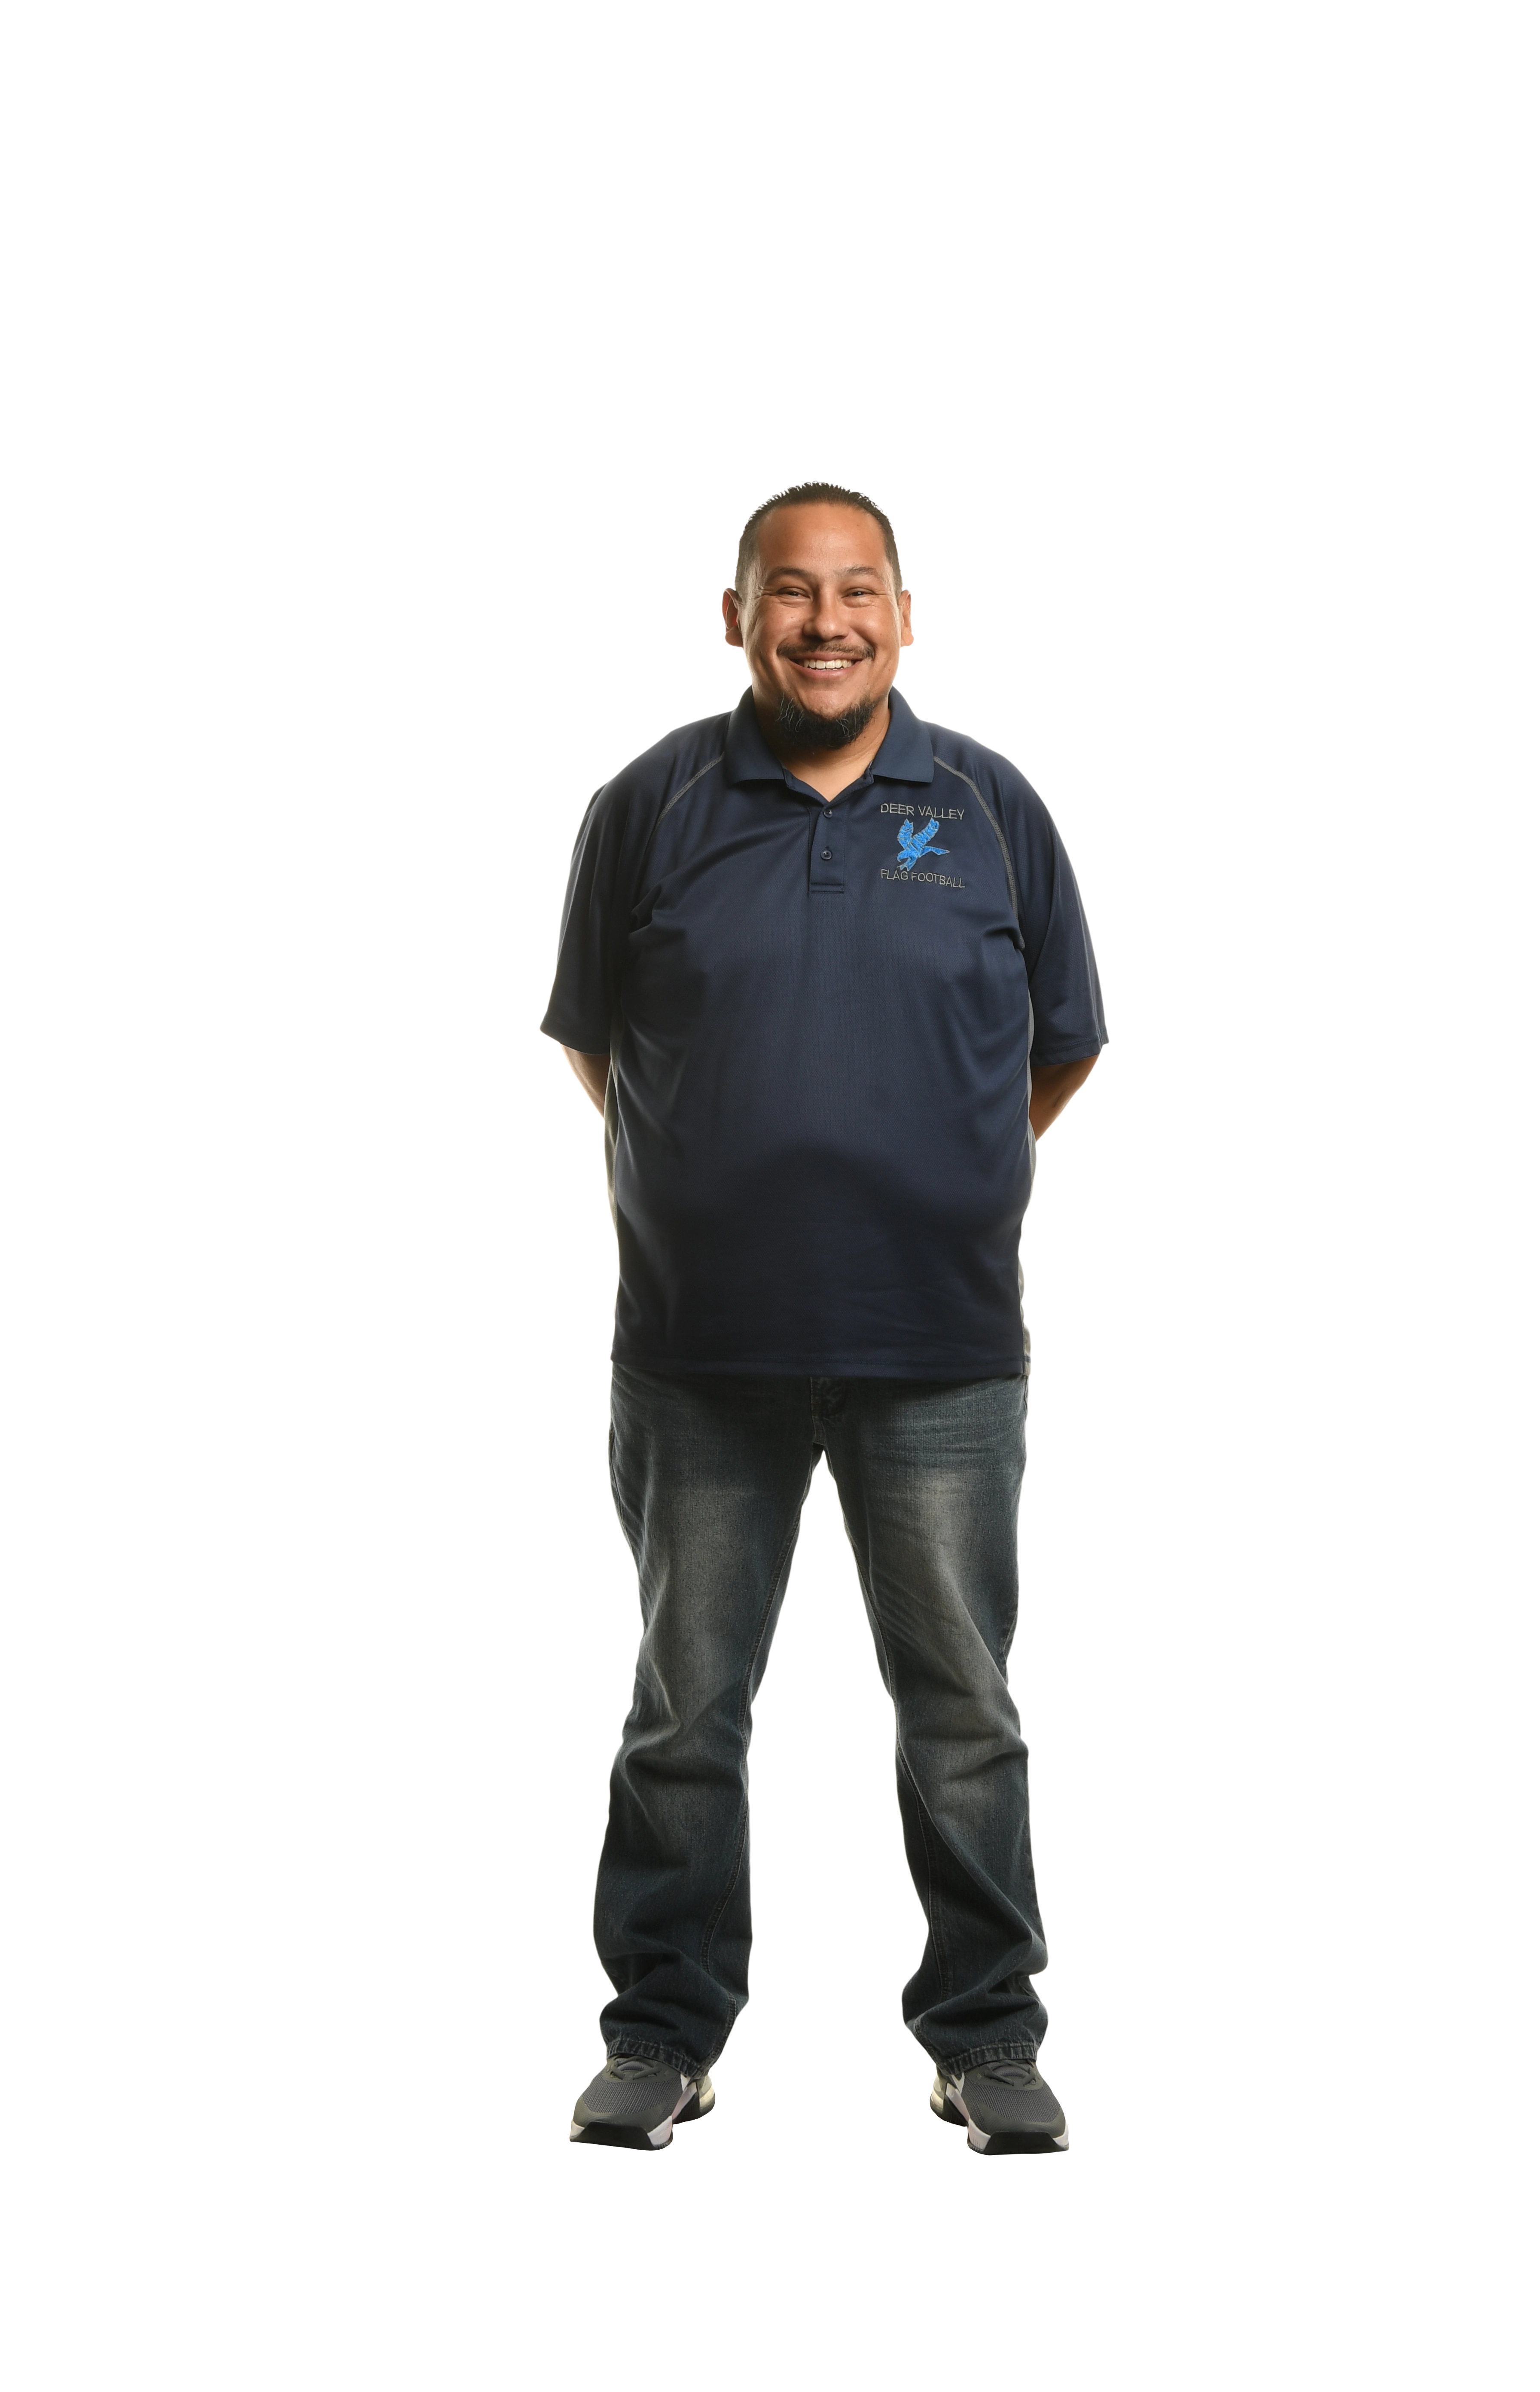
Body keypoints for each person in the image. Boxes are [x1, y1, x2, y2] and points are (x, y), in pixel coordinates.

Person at [540, 479, 1107, 2155]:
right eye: (790, 591)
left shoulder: (992, 807)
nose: (826, 621)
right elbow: (597, 1042)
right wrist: (713, 1174)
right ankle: (662, 2033)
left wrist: (931, 1172)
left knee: (963, 1715)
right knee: (683, 1714)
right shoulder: (646, 805)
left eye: (859, 590)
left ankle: (986, 2037)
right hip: (698, 1350)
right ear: (738, 614)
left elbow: (1063, 1042)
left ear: (904, 615)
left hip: (940, 1351)